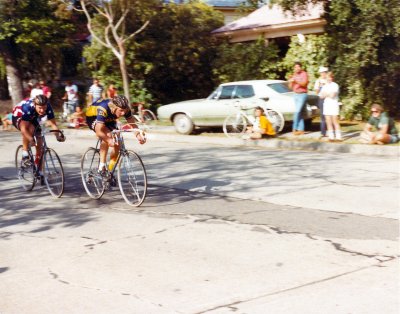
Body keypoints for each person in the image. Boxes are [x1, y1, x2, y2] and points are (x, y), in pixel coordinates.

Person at [85, 95, 145, 176]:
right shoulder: (103, 108)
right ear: (114, 108)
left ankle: (109, 172)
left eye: (124, 110)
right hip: (93, 117)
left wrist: (138, 135)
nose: (123, 113)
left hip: (109, 119)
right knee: (108, 136)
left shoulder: (125, 109)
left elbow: (132, 124)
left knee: (117, 143)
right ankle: (101, 167)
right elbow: (99, 131)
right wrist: (109, 140)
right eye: (120, 110)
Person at [12, 95, 65, 166]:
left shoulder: (48, 107)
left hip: (33, 115)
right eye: (40, 108)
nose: (42, 110)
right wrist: (31, 139)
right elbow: (23, 129)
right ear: (35, 105)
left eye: (44, 108)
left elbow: (53, 124)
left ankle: (39, 171)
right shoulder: (28, 107)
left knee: (39, 140)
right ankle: (25, 153)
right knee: (29, 129)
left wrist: (57, 136)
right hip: (19, 115)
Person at [320, 72, 342, 141]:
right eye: (327, 77)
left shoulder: (335, 85)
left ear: (332, 78)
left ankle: (338, 136)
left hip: (334, 105)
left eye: (329, 77)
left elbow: (333, 95)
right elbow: (321, 96)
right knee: (328, 121)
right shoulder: (324, 86)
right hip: (326, 105)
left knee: (335, 121)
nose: (328, 79)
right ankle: (331, 136)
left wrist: (326, 94)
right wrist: (327, 94)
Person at [288, 62, 309, 135]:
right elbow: (290, 87)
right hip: (295, 94)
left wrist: (296, 80)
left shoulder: (304, 74)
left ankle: (294, 128)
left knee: (297, 111)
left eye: (298, 67)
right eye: (295, 67)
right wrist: (290, 81)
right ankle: (301, 130)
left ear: (300, 67)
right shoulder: (294, 75)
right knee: (299, 112)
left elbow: (304, 83)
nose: (297, 68)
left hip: (302, 94)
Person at [314, 66, 329, 138]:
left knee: (329, 116)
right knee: (323, 116)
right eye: (322, 73)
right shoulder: (318, 81)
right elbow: (316, 92)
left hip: (329, 99)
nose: (323, 74)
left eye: (325, 72)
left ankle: (331, 131)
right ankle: (323, 132)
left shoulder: (328, 80)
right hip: (322, 99)